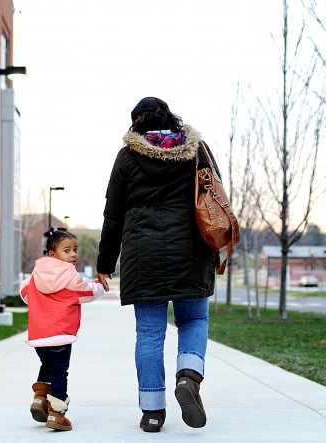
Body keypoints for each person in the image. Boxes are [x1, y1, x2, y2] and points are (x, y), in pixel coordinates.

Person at [96, 97, 219, 433]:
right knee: (193, 319)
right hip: (191, 250)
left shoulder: (127, 156)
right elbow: (214, 198)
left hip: (144, 254)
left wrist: (105, 262)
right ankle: (188, 377)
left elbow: (113, 214)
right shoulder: (198, 150)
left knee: (149, 333)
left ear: (137, 122)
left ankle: (152, 412)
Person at [20, 227, 106, 431]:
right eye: (67, 250)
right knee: (59, 373)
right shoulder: (70, 277)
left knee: (47, 366)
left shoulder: (35, 276)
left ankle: (40, 399)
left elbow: (24, 293)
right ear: (53, 254)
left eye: (75, 249)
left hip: (39, 336)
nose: (73, 254)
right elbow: (88, 293)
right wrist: (100, 284)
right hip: (61, 335)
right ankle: (57, 414)